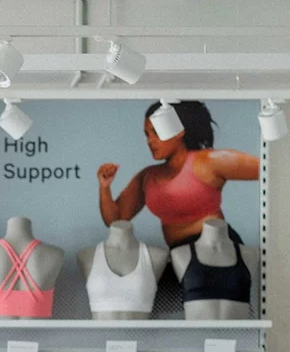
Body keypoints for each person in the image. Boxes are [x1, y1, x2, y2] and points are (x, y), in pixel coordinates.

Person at [97, 100, 259, 246]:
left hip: (218, 250)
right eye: (147, 134)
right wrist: (105, 187)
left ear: (178, 131)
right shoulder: (148, 177)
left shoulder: (208, 161)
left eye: (157, 132)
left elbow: (266, 168)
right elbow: (115, 220)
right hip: (181, 255)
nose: (150, 141)